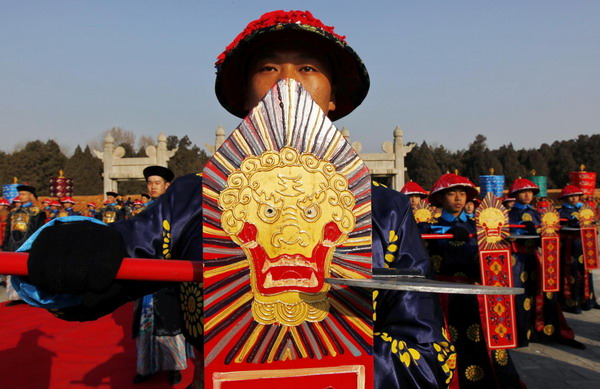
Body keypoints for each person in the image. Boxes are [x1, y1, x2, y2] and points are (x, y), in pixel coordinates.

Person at [14, 10, 456, 388]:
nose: (287, 83)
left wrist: (323, 369)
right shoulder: (194, 197)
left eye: (306, 68)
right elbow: (122, 257)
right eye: (268, 68)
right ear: (246, 97)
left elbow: (427, 352)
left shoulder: (385, 209)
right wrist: (78, 254)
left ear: (334, 96)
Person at [419, 173, 522, 388]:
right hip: (444, 297)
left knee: (484, 342)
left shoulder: (481, 225)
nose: (458, 198)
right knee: (449, 343)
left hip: (477, 296)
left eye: (462, 193)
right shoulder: (428, 227)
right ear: (439, 198)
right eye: (451, 193)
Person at [508, 178, 584, 349]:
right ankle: (520, 333)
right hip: (517, 260)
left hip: (536, 257)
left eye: (530, 192)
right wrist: (519, 228)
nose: (527, 195)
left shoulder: (537, 213)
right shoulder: (509, 214)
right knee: (520, 295)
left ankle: (543, 329)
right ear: (515, 194)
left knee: (542, 293)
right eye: (523, 192)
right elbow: (505, 235)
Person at [132, 165, 190, 385]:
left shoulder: (178, 212)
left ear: (167, 186)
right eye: (150, 182)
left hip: (169, 274)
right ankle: (146, 366)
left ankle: (174, 366)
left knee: (171, 320)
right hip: (144, 274)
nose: (153, 186)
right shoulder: (142, 211)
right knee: (145, 320)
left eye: (157, 183)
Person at [558, 184, 600, 313]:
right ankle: (572, 302)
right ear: (565, 198)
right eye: (571, 196)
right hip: (569, 247)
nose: (574, 198)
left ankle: (588, 300)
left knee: (586, 272)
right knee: (571, 273)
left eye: (576, 196)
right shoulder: (561, 211)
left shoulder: (585, 209)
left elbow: (593, 225)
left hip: (584, 245)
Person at [3, 185, 46, 305]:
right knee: (12, 270)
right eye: (19, 194)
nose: (20, 197)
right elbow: (8, 231)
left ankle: (31, 296)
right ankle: (15, 297)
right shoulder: (13, 212)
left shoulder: (37, 212)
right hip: (13, 245)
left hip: (28, 244)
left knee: (27, 269)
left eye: (23, 194)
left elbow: (39, 230)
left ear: (30, 196)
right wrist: (5, 245)